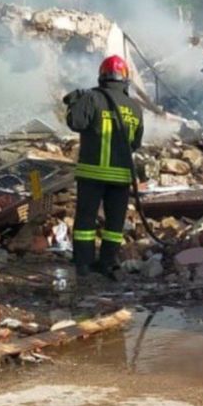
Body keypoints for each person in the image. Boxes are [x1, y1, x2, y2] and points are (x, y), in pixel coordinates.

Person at [62, 56, 144, 280]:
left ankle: (84, 264)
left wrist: (75, 101)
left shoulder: (92, 97)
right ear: (125, 78)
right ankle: (107, 263)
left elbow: (75, 123)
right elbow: (135, 143)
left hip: (92, 174)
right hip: (121, 176)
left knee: (86, 221)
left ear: (102, 75)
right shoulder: (135, 107)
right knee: (115, 224)